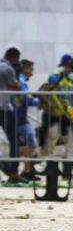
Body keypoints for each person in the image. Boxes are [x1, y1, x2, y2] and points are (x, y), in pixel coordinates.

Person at [39, 59, 73, 181]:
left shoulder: (70, 80)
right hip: (53, 117)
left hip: (64, 117)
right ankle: (50, 174)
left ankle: (66, 175)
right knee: (52, 147)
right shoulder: (56, 77)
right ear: (67, 68)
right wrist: (50, 105)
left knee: (71, 145)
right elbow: (43, 92)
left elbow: (66, 98)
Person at [0, 49, 22, 183]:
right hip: (5, 108)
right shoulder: (8, 69)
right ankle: (12, 171)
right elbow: (15, 87)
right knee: (14, 139)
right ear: (14, 57)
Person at [16, 60, 40, 181]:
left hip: (20, 117)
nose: (32, 72)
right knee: (31, 145)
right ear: (24, 69)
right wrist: (41, 102)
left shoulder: (22, 81)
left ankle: (27, 171)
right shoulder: (21, 81)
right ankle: (25, 171)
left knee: (28, 145)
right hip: (19, 118)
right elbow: (25, 99)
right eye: (30, 69)